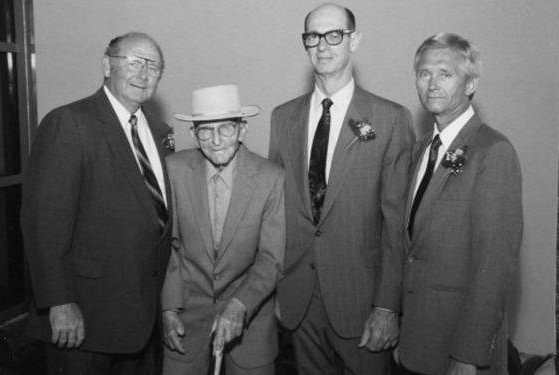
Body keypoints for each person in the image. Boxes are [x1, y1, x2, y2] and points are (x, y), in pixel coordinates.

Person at [269, 3, 415, 374]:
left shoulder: (390, 119)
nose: (323, 45)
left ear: (355, 41)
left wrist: (386, 308)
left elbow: (396, 225)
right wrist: (276, 289)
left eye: (334, 35)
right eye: (313, 36)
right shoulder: (283, 117)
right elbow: (274, 215)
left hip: (362, 303)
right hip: (300, 301)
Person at [21, 32, 173, 374]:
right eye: (133, 62)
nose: (143, 73)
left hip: (142, 320)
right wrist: (59, 301)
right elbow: (43, 222)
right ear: (107, 65)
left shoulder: (159, 131)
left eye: (153, 66)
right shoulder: (70, 123)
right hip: (84, 320)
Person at [397, 33, 523, 375]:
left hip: (461, 347)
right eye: (424, 74)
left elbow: (494, 265)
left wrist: (468, 354)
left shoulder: (493, 151)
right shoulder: (423, 148)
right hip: (417, 342)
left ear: (471, 84)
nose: (432, 83)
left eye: (445, 73)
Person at [161, 84, 285, 375]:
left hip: (250, 320)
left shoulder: (271, 178)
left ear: (242, 130)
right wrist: (168, 308)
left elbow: (272, 258)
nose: (216, 141)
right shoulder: (173, 170)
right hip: (183, 322)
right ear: (193, 135)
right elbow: (168, 246)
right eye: (205, 131)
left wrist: (240, 306)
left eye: (226, 129)